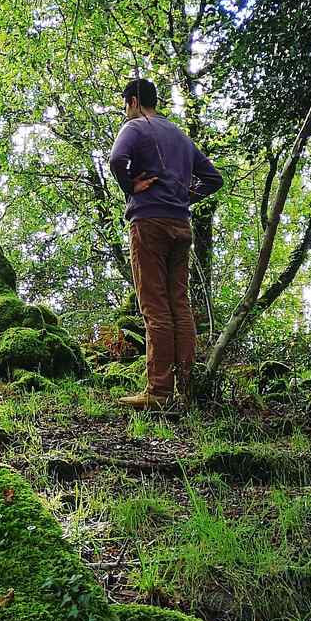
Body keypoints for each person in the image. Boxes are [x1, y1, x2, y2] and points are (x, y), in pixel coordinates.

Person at [107, 78, 222, 411]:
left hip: (150, 224)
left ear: (131, 101)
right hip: (180, 226)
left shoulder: (136, 126)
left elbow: (117, 160)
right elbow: (214, 179)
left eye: (125, 105)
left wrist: (132, 187)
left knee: (155, 306)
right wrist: (184, 196)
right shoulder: (179, 135)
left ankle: (158, 392)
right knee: (179, 306)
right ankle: (186, 389)